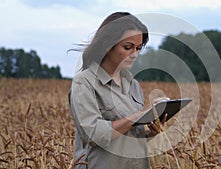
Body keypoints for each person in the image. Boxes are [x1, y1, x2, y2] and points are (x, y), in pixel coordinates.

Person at [68, 12, 167, 169]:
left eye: (138, 48)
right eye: (127, 47)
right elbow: (93, 135)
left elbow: (129, 137)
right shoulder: (84, 82)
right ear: (108, 44)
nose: (134, 54)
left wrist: (150, 132)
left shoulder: (133, 84)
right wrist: (140, 115)